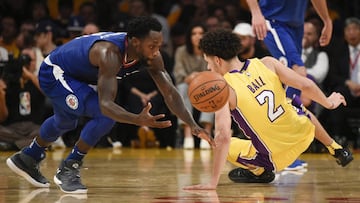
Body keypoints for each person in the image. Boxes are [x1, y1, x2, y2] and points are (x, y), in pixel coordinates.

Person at [6, 16, 214, 194]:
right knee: (104, 115)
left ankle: (28, 157)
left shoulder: (152, 56)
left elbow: (169, 91)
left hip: (78, 77)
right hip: (55, 72)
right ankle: (69, 167)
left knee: (66, 121)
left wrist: (192, 124)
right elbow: (106, 105)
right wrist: (137, 119)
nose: (155, 52)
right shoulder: (109, 53)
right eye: (152, 46)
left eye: (159, 45)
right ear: (134, 42)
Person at [183, 29, 353, 190]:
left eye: (208, 62)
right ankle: (336, 148)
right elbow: (305, 84)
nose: (208, 68)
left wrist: (213, 182)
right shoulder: (267, 63)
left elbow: (223, 135)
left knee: (220, 143)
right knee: (295, 106)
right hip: (302, 134)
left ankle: (260, 171)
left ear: (217, 60)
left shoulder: (225, 89)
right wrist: (329, 103)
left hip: (274, 157)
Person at [246, 0, 333, 170]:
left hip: (296, 24)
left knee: (290, 82)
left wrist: (327, 20)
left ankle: (277, 152)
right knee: (296, 72)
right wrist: (256, 12)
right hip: (273, 20)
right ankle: (278, 151)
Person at [173, 22, 213, 149]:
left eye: (201, 33)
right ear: (189, 37)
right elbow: (178, 73)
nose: (197, 36)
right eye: (194, 34)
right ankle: (187, 133)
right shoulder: (181, 51)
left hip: (207, 85)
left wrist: (198, 77)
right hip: (187, 85)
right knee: (183, 87)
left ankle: (207, 132)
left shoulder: (211, 52)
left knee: (214, 89)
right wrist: (190, 78)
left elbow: (215, 73)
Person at [323, 17, 360, 146]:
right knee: (337, 94)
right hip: (348, 89)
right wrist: (348, 82)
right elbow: (332, 76)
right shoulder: (338, 50)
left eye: (355, 29)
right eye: (348, 29)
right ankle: (339, 135)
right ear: (344, 33)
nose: (352, 33)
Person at [0, 48, 45, 151]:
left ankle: (12, 145)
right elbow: (2, 118)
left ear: (35, 62)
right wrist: (1, 96)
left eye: (29, 59)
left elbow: (49, 94)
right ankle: (28, 144)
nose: (25, 63)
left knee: (47, 131)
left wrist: (30, 76)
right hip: (11, 128)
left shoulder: (39, 81)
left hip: (33, 127)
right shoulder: (8, 80)